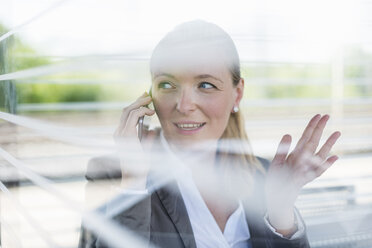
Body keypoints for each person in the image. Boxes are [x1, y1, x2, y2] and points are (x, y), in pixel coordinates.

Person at [79, 20, 341, 248]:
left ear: (237, 94)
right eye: (167, 84)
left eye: (205, 85)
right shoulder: (114, 175)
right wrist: (133, 185)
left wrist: (281, 212)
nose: (183, 105)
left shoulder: (265, 175)